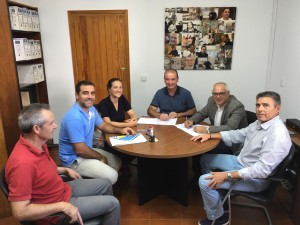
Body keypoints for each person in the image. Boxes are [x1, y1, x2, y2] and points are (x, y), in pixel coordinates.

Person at [5, 103, 120, 225]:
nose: (55, 126)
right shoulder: (22, 163)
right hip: (56, 210)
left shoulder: (38, 144)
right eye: (51, 123)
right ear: (36, 129)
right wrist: (62, 206)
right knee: (113, 204)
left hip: (62, 190)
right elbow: (20, 212)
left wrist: (63, 169)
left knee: (106, 183)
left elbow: (40, 170)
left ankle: (102, 217)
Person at [192, 91, 291, 225]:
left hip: (257, 179)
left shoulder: (277, 134)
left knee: (204, 181)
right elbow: (238, 134)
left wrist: (226, 176)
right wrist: (210, 135)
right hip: (240, 162)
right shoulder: (260, 123)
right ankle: (217, 198)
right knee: (205, 159)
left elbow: (261, 170)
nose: (260, 109)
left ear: (277, 108)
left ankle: (219, 219)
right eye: (258, 105)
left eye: (266, 105)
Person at [59, 80, 135, 184]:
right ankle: (79, 181)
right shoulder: (74, 118)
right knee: (113, 176)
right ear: (77, 95)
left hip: (87, 150)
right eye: (85, 93)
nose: (90, 96)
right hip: (74, 160)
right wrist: (100, 157)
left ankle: (92, 176)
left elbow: (103, 125)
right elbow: (80, 150)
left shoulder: (91, 110)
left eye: (92, 93)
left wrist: (121, 130)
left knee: (117, 162)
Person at [185, 82, 247, 177]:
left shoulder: (237, 106)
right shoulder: (211, 101)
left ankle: (204, 178)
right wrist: (192, 120)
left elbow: (230, 127)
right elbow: (202, 113)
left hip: (230, 143)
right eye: (215, 94)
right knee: (195, 145)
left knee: (200, 150)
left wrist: (207, 130)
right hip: (215, 137)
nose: (218, 97)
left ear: (228, 94)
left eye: (221, 93)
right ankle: (197, 175)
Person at [97, 78, 137, 177]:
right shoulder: (104, 103)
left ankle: (124, 164)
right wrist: (127, 124)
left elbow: (133, 114)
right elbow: (108, 123)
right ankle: (123, 165)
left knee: (135, 146)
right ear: (109, 90)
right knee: (124, 151)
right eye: (115, 87)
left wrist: (132, 119)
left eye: (120, 87)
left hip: (123, 131)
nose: (119, 90)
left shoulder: (122, 99)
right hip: (110, 133)